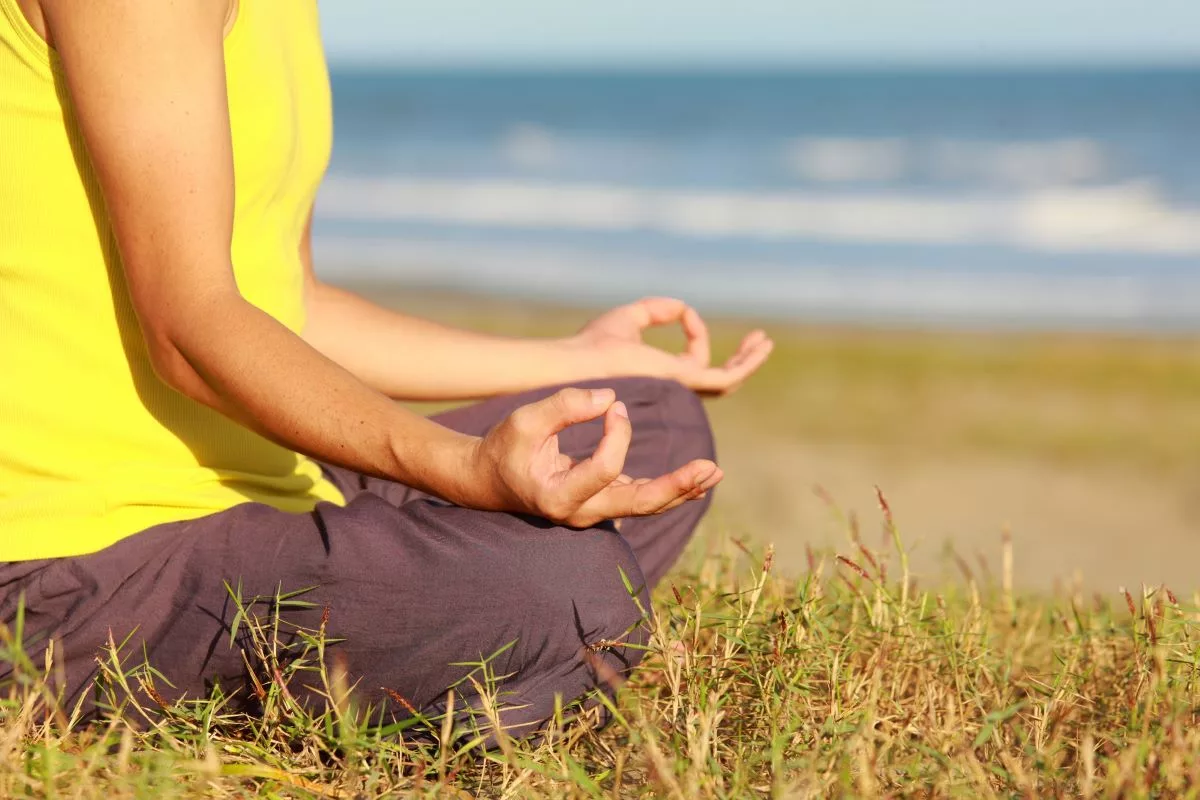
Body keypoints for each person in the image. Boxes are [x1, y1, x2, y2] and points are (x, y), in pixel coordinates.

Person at [0, 0, 772, 738]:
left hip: (261, 485)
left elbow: (291, 306)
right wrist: (463, 467)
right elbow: (191, 328)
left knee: (647, 415)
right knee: (570, 591)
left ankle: (435, 636)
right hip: (76, 563)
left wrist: (579, 361)